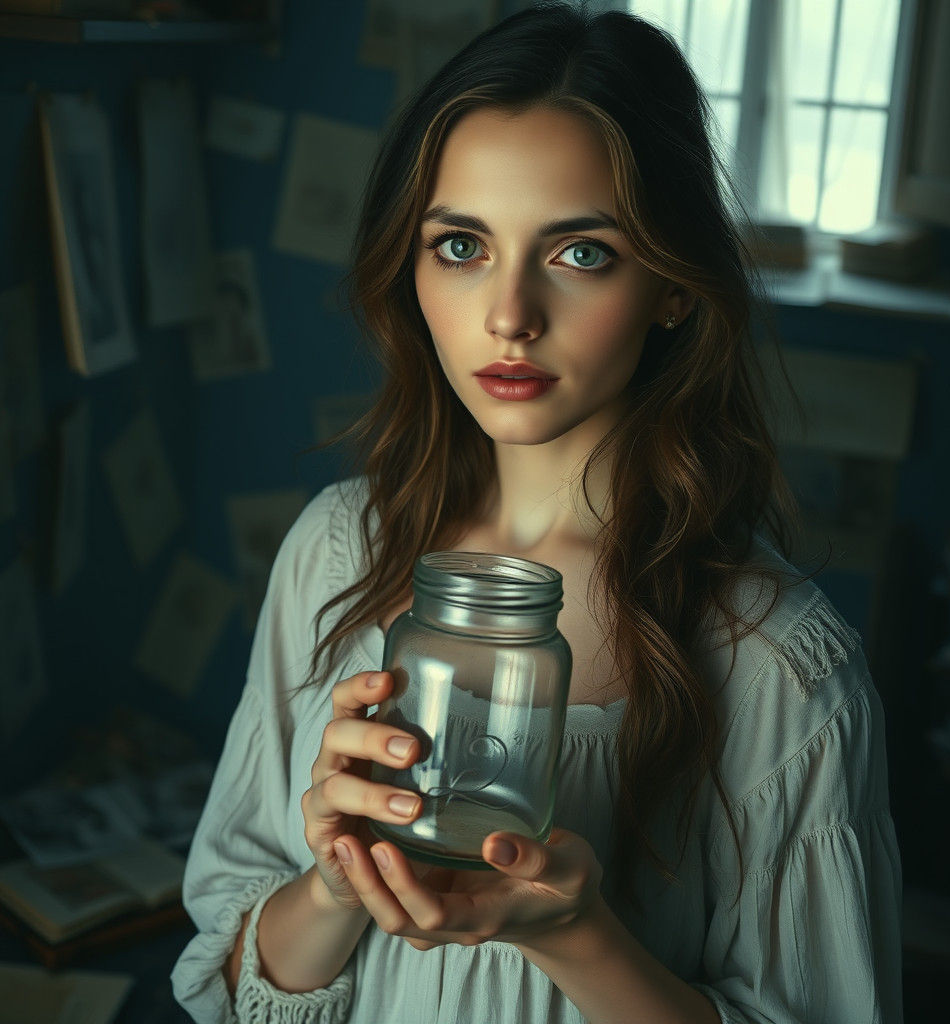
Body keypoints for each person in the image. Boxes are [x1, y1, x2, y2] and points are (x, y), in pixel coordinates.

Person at [171, 3, 904, 1022]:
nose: (509, 314)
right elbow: (238, 978)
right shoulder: (336, 554)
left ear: (673, 288)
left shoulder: (781, 669)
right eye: (461, 244)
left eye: (581, 252)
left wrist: (576, 936)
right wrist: (334, 886)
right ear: (409, 264)